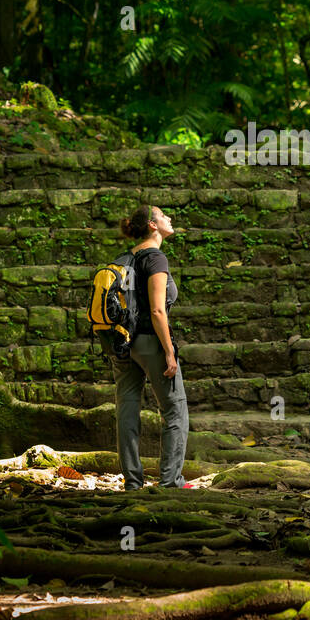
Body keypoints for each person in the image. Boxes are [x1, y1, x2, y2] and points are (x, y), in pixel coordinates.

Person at [114, 205, 191, 489]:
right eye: (163, 215)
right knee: (175, 412)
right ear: (152, 225)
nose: (170, 218)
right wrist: (169, 351)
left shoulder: (124, 259)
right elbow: (158, 311)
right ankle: (170, 482)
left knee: (127, 411)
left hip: (122, 345)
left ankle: (133, 483)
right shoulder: (155, 258)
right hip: (150, 342)